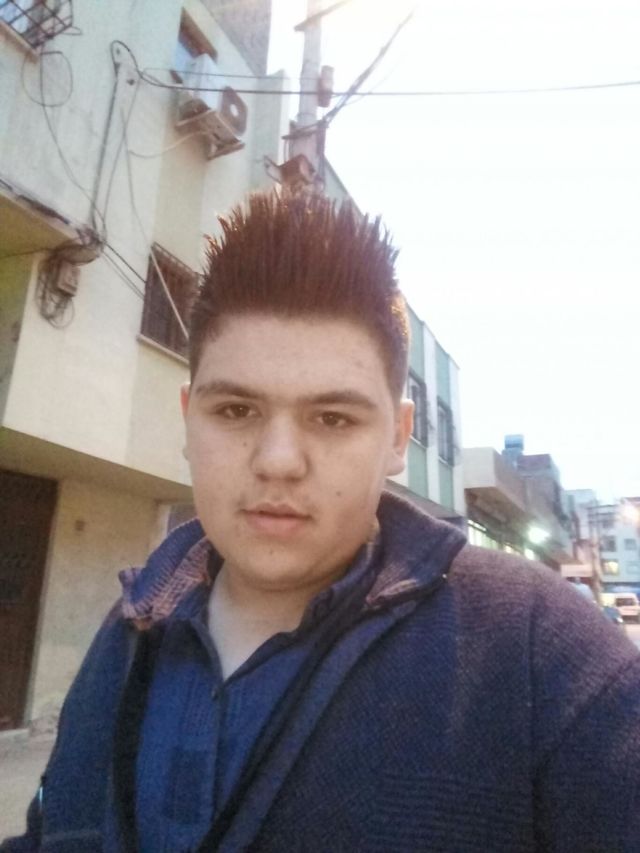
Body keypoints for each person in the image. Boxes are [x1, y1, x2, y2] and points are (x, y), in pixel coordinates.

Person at [4, 191, 640, 853]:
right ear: (190, 418)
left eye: (333, 418)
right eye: (236, 411)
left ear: (397, 437)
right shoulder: (131, 627)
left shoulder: (537, 653)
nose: (278, 461)